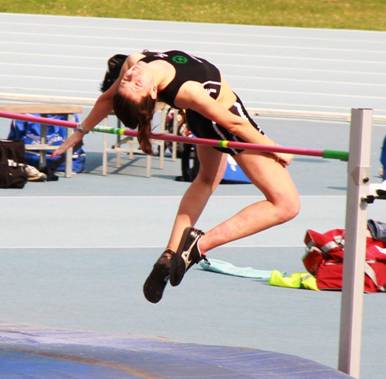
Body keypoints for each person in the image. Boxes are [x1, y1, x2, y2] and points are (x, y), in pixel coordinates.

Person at [54, 50, 300, 303]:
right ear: (151, 93)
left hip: (201, 117)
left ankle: (171, 255)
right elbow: (233, 124)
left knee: (206, 180)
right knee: (285, 204)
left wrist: (79, 132)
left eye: (127, 80)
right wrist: (274, 147)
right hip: (223, 121)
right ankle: (199, 247)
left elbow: (107, 99)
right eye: (135, 83)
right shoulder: (187, 91)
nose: (130, 76)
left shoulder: (134, 62)